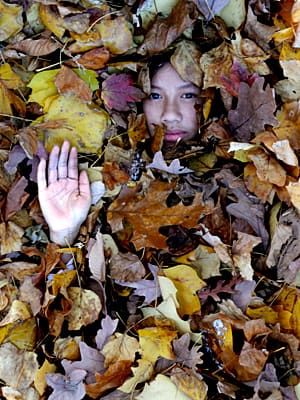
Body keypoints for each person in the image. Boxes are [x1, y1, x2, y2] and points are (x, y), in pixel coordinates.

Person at [37, 61, 201, 246]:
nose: (170, 114)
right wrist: (64, 232)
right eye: (155, 95)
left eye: (188, 95)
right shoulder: (110, 178)